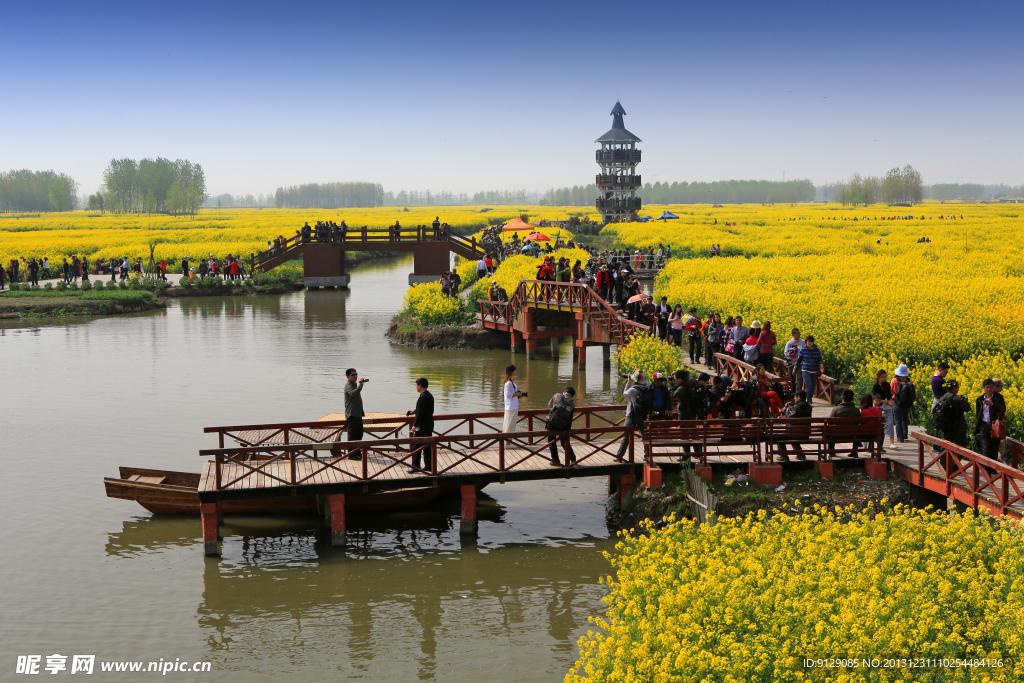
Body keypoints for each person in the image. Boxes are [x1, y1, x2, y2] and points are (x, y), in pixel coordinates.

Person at [615, 370, 649, 461]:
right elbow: (647, 383)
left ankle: (619, 456)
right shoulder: (648, 388)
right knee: (645, 436)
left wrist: (629, 382)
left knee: (626, 436)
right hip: (643, 416)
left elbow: (624, 393)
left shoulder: (633, 390)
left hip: (631, 415)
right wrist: (645, 377)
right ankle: (647, 456)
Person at [406, 378, 435, 473]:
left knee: (416, 446)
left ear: (420, 386)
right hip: (429, 424)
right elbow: (424, 409)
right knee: (426, 446)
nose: (416, 387)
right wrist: (415, 411)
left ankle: (415, 467)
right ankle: (428, 466)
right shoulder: (429, 395)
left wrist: (415, 425)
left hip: (422, 426)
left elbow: (421, 414)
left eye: (417, 385)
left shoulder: (422, 397)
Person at [932, 379, 971, 449]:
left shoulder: (942, 398)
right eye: (957, 387)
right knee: (961, 447)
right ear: (954, 388)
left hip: (946, 427)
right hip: (958, 426)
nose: (958, 389)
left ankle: (945, 460)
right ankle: (954, 460)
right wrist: (965, 401)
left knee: (946, 448)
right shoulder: (958, 398)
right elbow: (967, 408)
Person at [974, 378, 1006, 461]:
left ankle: (993, 469)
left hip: (995, 425)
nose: (989, 389)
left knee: (994, 448)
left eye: (991, 387)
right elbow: (978, 414)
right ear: (983, 388)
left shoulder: (998, 397)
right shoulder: (979, 399)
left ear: (994, 387)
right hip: (984, 426)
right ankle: (987, 470)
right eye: (987, 387)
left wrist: (992, 404)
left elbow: (1003, 409)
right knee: (986, 448)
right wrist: (979, 427)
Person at [777, 390, 813, 462]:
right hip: (806, 433)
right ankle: (800, 454)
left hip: (796, 433)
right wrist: (792, 407)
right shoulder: (808, 406)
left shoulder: (797, 406)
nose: (794, 398)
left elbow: (788, 418)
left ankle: (783, 455)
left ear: (799, 397)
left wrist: (787, 409)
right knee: (793, 435)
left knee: (779, 437)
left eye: (795, 396)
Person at [546, 386, 577, 466]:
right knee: (564, 442)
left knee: (551, 440)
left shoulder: (557, 395)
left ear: (565, 391)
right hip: (564, 426)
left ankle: (555, 460)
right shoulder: (572, 403)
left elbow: (549, 405)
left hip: (553, 424)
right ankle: (573, 459)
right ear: (572, 395)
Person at [828, 389, 862, 458]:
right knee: (856, 429)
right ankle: (854, 451)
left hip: (837, 435)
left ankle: (831, 451)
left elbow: (830, 422)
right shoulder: (856, 410)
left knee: (829, 430)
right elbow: (858, 423)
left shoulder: (836, 409)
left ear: (842, 398)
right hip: (852, 435)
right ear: (853, 398)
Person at [344, 368, 368, 460]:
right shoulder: (348, 386)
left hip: (357, 414)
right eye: (353, 375)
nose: (355, 376)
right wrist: (361, 385)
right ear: (348, 376)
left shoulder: (354, 384)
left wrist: (359, 385)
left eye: (356, 374)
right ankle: (351, 454)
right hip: (352, 415)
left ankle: (357, 452)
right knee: (353, 436)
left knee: (359, 435)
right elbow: (354, 394)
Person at [872, 369, 897, 450]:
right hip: (879, 407)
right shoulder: (876, 386)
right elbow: (876, 399)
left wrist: (891, 401)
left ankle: (892, 443)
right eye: (882, 377)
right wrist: (886, 401)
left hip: (887, 407)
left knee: (890, 423)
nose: (884, 378)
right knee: (880, 425)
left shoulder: (887, 385)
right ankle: (878, 443)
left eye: (885, 377)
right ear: (878, 377)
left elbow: (889, 395)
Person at [890, 364, 915, 445]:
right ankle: (905, 435)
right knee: (904, 418)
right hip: (907, 403)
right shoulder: (909, 380)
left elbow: (892, 391)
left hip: (897, 402)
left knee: (898, 420)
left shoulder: (895, 380)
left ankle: (900, 438)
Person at [796, 335, 824, 404]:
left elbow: (820, 359)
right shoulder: (803, 350)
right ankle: (808, 400)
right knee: (809, 385)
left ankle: (809, 398)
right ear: (806, 342)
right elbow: (799, 360)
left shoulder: (816, 350)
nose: (810, 343)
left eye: (811, 341)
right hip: (805, 370)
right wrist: (794, 369)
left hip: (814, 370)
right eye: (808, 341)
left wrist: (822, 367)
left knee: (813, 386)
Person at [502, 364, 524, 434]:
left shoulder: (510, 382)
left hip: (513, 406)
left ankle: (509, 442)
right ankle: (508, 443)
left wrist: (518, 395)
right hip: (511, 407)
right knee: (509, 425)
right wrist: (517, 394)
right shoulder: (508, 383)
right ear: (513, 371)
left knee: (512, 425)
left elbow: (511, 394)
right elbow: (508, 395)